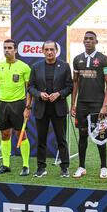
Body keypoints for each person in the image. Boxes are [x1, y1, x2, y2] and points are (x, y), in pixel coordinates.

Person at [27, 41, 73, 178]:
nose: (49, 52)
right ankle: (41, 168)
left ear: (56, 50)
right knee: (41, 140)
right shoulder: (36, 67)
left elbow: (70, 87)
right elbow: (30, 87)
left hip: (58, 108)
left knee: (61, 139)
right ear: (42, 51)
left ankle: (64, 168)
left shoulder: (64, 66)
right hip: (41, 108)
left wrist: (59, 94)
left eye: (52, 49)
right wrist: (39, 94)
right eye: (46, 49)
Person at [70, 31, 107, 179]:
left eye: (91, 39)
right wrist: (73, 104)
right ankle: (81, 167)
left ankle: (104, 167)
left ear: (96, 41)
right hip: (82, 104)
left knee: (100, 135)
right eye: (86, 39)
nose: (88, 41)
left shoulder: (103, 59)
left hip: (98, 103)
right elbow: (75, 82)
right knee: (82, 135)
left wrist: (105, 105)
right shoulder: (77, 59)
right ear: (83, 41)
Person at [0, 39, 32, 176]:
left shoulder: (24, 67)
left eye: (9, 48)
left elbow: (29, 89)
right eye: (5, 48)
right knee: (5, 134)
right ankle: (6, 165)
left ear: (15, 50)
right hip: (3, 105)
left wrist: (28, 107)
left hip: (18, 105)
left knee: (21, 134)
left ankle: (25, 166)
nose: (7, 50)